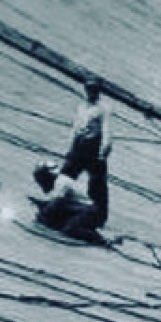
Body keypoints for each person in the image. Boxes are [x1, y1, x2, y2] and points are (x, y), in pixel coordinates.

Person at [60, 79, 112, 223]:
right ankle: (58, 204)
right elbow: (75, 128)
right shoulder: (81, 107)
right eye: (89, 89)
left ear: (98, 92)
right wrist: (69, 147)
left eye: (94, 90)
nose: (91, 93)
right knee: (66, 176)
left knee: (97, 185)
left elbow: (106, 130)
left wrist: (105, 150)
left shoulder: (103, 109)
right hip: (79, 146)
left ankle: (99, 215)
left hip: (93, 149)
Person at [30, 160, 105, 243]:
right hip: (81, 210)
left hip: (88, 211)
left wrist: (41, 207)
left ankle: (99, 239)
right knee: (49, 216)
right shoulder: (59, 180)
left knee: (69, 229)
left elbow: (56, 202)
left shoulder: (61, 182)